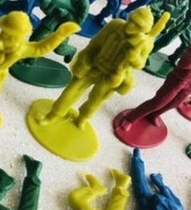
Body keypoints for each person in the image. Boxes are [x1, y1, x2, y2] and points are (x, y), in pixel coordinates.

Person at [35, 7, 170, 130]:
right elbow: (96, 42)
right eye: (132, 21)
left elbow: (140, 64)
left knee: (95, 101)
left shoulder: (144, 43)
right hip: (94, 65)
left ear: (143, 29)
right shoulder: (116, 25)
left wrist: (134, 57)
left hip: (112, 76)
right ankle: (53, 115)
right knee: (71, 91)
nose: (131, 26)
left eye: (137, 25)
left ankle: (82, 118)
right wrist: (86, 58)